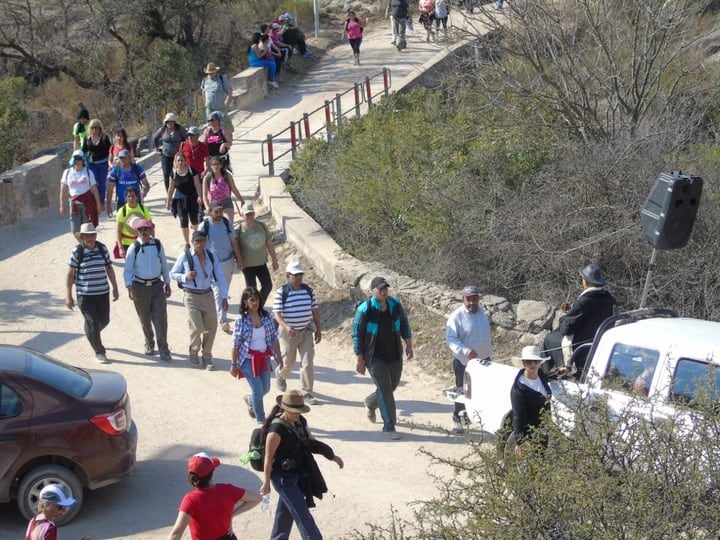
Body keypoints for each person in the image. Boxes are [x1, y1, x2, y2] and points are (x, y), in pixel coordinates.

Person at [261, 390, 344, 540]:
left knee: (285, 514)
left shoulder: (300, 422)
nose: (297, 414)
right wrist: (266, 483)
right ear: (284, 408)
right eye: (294, 412)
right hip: (283, 478)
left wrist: (332, 456)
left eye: (299, 411)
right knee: (303, 515)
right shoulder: (276, 430)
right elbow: (268, 459)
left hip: (298, 474)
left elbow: (311, 443)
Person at [352, 276, 414, 439]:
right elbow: (357, 335)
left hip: (394, 353)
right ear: (372, 291)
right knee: (386, 389)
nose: (383, 291)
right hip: (374, 357)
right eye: (380, 289)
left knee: (391, 385)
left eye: (385, 288)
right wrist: (360, 359)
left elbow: (405, 324)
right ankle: (389, 426)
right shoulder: (365, 309)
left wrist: (408, 345)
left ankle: (371, 402)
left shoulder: (394, 305)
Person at [543, 263, 618, 379]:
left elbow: (567, 329)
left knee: (550, 338)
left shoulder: (585, 301)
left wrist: (564, 316)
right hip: (598, 339)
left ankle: (548, 375)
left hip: (579, 342)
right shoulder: (609, 299)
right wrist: (572, 311)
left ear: (586, 282)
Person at [167, 452, 261, 540]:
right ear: (211, 474)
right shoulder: (228, 490)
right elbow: (257, 498)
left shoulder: (191, 500)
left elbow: (176, 533)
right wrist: (232, 514)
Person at [170, 229, 229, 371]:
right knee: (197, 326)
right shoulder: (185, 256)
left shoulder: (211, 255)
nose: (200, 244)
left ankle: (207, 356)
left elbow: (220, 276)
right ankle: (194, 350)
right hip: (191, 295)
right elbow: (173, 273)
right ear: (192, 242)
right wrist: (185, 277)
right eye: (197, 241)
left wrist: (224, 296)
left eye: (202, 240)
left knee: (211, 325)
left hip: (207, 293)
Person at [66, 223, 119, 364]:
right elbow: (70, 275)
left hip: (102, 292)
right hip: (85, 294)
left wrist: (115, 287)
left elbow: (109, 268)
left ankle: (91, 332)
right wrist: (69, 296)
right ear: (82, 237)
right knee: (93, 322)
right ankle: (99, 351)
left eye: (93, 235)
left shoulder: (102, 249)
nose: (91, 238)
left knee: (105, 320)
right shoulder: (78, 252)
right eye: (87, 235)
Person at [272, 262, 322, 405]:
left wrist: (318, 329)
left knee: (308, 362)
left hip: (306, 331)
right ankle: (281, 375)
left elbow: (315, 310)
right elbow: (277, 314)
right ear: (288, 276)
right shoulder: (282, 292)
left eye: (300, 274)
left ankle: (307, 392)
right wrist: (287, 327)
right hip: (289, 334)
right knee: (289, 363)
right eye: (296, 275)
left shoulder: (308, 290)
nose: (299, 277)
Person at [445, 285, 493, 433]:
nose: (472, 302)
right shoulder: (456, 316)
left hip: (484, 360)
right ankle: (457, 419)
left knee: (481, 390)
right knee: (463, 391)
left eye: (474, 299)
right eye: (469, 299)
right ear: (463, 299)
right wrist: (465, 351)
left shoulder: (482, 313)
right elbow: (450, 339)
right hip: (464, 361)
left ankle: (473, 417)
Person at [123, 219, 172, 361]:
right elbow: (128, 270)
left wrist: (167, 283)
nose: (143, 232)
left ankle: (164, 348)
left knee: (161, 318)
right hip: (140, 287)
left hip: (157, 285)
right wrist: (129, 287)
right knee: (144, 318)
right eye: (141, 230)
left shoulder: (157, 245)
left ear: (151, 230)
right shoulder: (134, 248)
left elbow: (164, 264)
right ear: (137, 232)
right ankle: (149, 343)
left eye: (146, 229)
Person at [231, 287, 282, 423]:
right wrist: (234, 364)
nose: (255, 303)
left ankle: (250, 399)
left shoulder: (267, 317)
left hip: (264, 358)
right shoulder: (240, 321)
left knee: (265, 388)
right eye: (252, 300)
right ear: (245, 302)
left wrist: (279, 356)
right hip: (247, 360)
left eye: (257, 299)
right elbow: (235, 344)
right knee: (258, 390)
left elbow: (274, 338)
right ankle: (261, 420)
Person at [200, 203, 242, 332]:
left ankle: (216, 312)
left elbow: (233, 241)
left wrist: (239, 258)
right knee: (219, 291)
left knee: (224, 289)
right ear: (210, 212)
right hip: (212, 263)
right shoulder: (204, 226)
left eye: (221, 211)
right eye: (217, 212)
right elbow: (198, 244)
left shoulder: (226, 223)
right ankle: (222, 318)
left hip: (228, 261)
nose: (219, 214)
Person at [510, 345, 552, 457]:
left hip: (545, 430)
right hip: (532, 434)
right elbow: (518, 416)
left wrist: (560, 372)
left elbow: (547, 377)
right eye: (529, 361)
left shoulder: (541, 376)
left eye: (536, 361)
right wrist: (519, 442)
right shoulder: (518, 389)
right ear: (524, 363)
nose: (533, 364)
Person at [236, 202, 279, 308]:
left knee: (267, 285)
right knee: (251, 290)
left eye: (251, 213)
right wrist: (239, 260)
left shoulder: (262, 226)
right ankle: (249, 309)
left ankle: (258, 307)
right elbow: (235, 247)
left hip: (261, 263)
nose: (249, 216)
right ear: (242, 215)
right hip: (248, 265)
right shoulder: (239, 229)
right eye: (247, 214)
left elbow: (269, 243)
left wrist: (274, 260)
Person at [59, 149, 101, 240]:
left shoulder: (88, 172)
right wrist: (62, 205)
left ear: (83, 160)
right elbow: (63, 189)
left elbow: (94, 189)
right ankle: (84, 245)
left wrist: (98, 204)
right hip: (74, 205)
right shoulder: (67, 173)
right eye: (75, 159)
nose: (77, 161)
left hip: (87, 204)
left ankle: (88, 246)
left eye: (79, 159)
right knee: (75, 230)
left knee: (88, 229)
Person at [166, 153, 202, 249]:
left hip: (192, 198)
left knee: (194, 220)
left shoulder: (191, 170)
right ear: (175, 162)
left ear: (185, 161)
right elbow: (171, 188)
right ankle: (187, 242)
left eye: (182, 160)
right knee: (183, 220)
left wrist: (200, 196)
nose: (180, 162)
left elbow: (197, 184)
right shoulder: (173, 173)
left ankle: (195, 237)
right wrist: (168, 202)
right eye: (178, 160)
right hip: (179, 200)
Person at [106, 149, 150, 217]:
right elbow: (110, 190)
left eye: (125, 158)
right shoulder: (115, 171)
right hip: (121, 203)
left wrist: (144, 192)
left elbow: (147, 185)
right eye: (121, 158)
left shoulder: (137, 169)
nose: (123, 160)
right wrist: (108, 207)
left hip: (136, 203)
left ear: (129, 158)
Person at [202, 156, 244, 224]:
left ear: (221, 165)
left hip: (226, 202)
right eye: (214, 164)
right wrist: (207, 207)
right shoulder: (207, 178)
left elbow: (234, 189)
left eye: (217, 164)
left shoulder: (227, 175)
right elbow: (204, 194)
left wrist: (241, 200)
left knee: (228, 223)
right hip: (214, 204)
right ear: (211, 166)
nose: (216, 166)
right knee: (216, 225)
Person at [153, 112, 188, 192]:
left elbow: (187, 137)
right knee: (166, 174)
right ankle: (169, 192)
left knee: (179, 173)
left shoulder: (179, 129)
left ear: (175, 122)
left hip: (178, 156)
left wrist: (185, 148)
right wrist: (157, 148)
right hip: (166, 155)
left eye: (172, 121)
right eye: (168, 122)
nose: (170, 124)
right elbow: (155, 137)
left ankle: (179, 190)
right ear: (166, 122)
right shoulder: (163, 130)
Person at [81, 118, 112, 205]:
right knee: (94, 184)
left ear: (100, 128)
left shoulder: (104, 138)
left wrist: (110, 162)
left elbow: (110, 150)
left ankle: (101, 202)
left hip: (103, 164)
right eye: (92, 128)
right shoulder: (87, 138)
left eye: (97, 128)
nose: (94, 130)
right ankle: (95, 202)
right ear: (90, 128)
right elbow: (83, 150)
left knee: (102, 185)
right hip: (92, 164)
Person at [116, 186, 152, 258]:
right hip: (126, 244)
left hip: (142, 242)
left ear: (137, 197)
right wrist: (120, 247)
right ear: (126, 198)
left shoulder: (143, 209)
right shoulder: (122, 211)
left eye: (133, 196)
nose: (131, 198)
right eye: (129, 196)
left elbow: (151, 227)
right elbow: (118, 231)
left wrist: (152, 243)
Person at [199, 62, 234, 134]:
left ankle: (229, 134)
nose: (211, 74)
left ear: (215, 71)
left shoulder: (222, 79)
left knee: (225, 121)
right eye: (209, 73)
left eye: (212, 73)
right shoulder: (205, 80)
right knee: (210, 122)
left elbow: (229, 90)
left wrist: (228, 99)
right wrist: (204, 102)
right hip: (210, 106)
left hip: (220, 105)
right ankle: (213, 136)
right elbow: (203, 91)